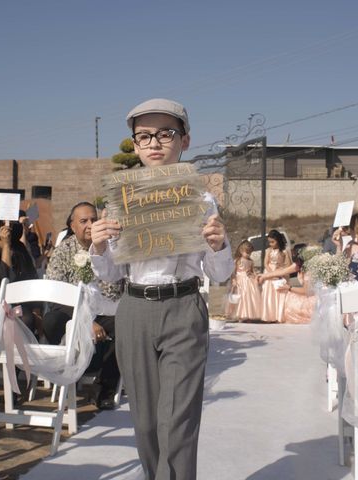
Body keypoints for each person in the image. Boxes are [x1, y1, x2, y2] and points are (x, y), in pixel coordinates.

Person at [89, 98, 232, 480]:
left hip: (183, 306)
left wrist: (219, 245)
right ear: (135, 145)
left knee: (178, 420)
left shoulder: (201, 199)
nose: (154, 143)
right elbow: (112, 272)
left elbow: (218, 274)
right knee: (146, 422)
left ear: (184, 140)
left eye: (165, 134)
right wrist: (99, 245)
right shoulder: (121, 198)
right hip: (134, 310)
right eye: (144, 136)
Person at [44, 201, 123, 410]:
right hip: (73, 310)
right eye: (84, 221)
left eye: (94, 220)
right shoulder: (64, 250)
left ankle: (104, 388)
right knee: (51, 320)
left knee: (125, 325)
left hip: (107, 308)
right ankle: (68, 372)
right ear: (72, 226)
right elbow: (54, 292)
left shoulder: (113, 246)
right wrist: (84, 320)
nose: (90, 224)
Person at [0, 212, 41, 333]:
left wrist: (37, 309)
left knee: (28, 319)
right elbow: (3, 277)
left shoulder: (19, 247)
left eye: (13, 222)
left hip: (17, 302)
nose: (10, 226)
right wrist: (6, 245)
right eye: (6, 222)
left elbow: (31, 278)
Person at [258, 229, 292, 323]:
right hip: (269, 273)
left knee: (278, 295)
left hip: (280, 272)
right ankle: (268, 316)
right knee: (268, 295)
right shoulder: (268, 250)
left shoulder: (284, 251)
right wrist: (270, 274)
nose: (271, 244)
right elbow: (266, 263)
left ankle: (278, 316)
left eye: (273, 242)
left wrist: (280, 272)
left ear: (278, 240)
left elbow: (288, 265)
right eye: (269, 242)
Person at [278, 243, 316, 324]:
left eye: (294, 254)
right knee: (289, 294)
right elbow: (282, 271)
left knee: (290, 299)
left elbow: (306, 291)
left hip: (309, 298)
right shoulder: (298, 265)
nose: (293, 256)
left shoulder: (309, 270)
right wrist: (264, 276)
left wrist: (289, 288)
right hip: (302, 293)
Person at [226, 240, 261, 322]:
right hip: (240, 281)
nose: (248, 254)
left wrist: (254, 275)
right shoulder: (238, 260)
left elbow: (252, 271)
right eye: (247, 252)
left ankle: (248, 314)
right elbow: (233, 272)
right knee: (240, 297)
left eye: (250, 253)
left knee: (249, 298)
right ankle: (240, 315)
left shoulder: (251, 261)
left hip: (249, 281)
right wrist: (233, 280)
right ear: (241, 251)